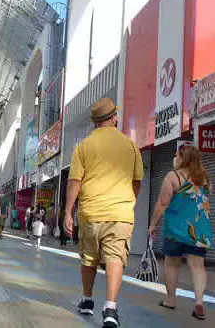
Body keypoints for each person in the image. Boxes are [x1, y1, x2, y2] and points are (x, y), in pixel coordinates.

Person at [63, 98, 143, 327]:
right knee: (115, 258)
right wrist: (127, 202)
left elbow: (75, 181)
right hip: (120, 213)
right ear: (114, 118)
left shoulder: (84, 146)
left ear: (95, 122)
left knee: (88, 258)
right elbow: (137, 181)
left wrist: (68, 212)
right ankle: (110, 309)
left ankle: (87, 300)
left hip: (90, 213)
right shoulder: (130, 145)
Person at [148, 145, 213, 320]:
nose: (174, 157)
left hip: (175, 229)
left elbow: (162, 203)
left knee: (171, 263)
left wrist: (153, 224)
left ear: (183, 158)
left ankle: (170, 300)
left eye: (176, 155)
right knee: (198, 266)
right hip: (199, 231)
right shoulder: (205, 178)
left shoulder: (173, 176)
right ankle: (199, 303)